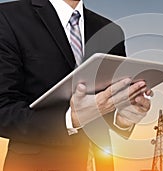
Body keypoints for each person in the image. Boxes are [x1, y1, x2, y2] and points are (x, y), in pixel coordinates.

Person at [0, 0, 152, 170]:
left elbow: (105, 102)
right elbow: (3, 109)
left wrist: (122, 117)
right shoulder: (7, 17)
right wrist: (71, 120)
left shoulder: (111, 31)